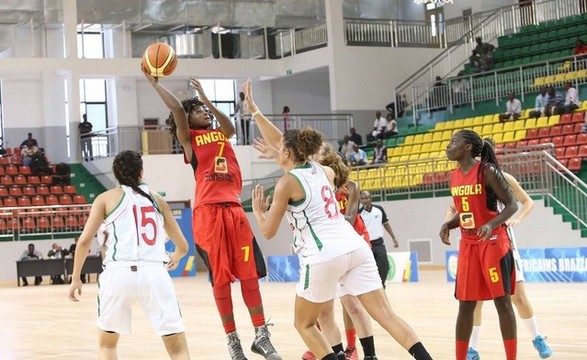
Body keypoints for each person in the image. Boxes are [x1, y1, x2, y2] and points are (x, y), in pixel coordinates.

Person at [244, 80, 433, 360]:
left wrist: (259, 212)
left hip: (322, 254)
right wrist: (256, 113)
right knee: (387, 316)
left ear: (286, 154)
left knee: (304, 324)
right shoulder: (326, 171)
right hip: (355, 247)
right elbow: (284, 144)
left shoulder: (286, 184)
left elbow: (268, 231)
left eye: (281, 149)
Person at [144, 69, 280, 360]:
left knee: (249, 276)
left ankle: (261, 335)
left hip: (233, 209)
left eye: (204, 109)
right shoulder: (189, 140)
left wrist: (205, 96)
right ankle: (233, 342)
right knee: (220, 280)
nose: (203, 112)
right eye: (198, 110)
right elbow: (178, 109)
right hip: (207, 213)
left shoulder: (220, 135)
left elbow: (230, 127)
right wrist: (155, 84)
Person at [253, 138, 377, 360]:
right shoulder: (309, 181)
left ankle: (355, 348)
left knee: (352, 306)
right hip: (329, 250)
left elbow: (347, 219)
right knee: (323, 312)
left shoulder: (341, 184)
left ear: (324, 158)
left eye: (314, 157)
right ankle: (332, 349)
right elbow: (290, 161)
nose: (309, 160)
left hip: (349, 246)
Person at [68, 150, 190, 360]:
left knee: (107, 347)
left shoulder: (105, 199)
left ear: (116, 174)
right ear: (141, 172)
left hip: (118, 274)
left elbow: (84, 241)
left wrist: (75, 278)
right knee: (177, 349)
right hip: (154, 274)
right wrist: (175, 257)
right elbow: (183, 246)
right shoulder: (158, 200)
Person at [444, 137, 552, 360]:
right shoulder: (457, 177)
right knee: (473, 302)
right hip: (471, 240)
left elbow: (524, 202)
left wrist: (517, 219)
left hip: (498, 240)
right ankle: (471, 349)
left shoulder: (498, 175)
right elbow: (457, 207)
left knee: (517, 298)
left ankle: (537, 337)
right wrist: (448, 223)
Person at [439, 129, 518, 360]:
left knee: (502, 303)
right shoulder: (454, 176)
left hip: (493, 243)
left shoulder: (487, 170)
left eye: (454, 142)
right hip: (468, 245)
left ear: (467, 147)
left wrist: (491, 224)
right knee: (465, 305)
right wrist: (448, 225)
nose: (448, 146)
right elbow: (466, 212)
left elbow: (512, 205)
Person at [359, 191, 399, 287]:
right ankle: (371, 287)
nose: (365, 200)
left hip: (379, 243)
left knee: (384, 266)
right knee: (369, 268)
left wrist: (394, 238)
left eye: (367, 198)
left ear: (371, 198)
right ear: (360, 200)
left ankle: (382, 285)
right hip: (366, 244)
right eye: (363, 198)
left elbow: (386, 224)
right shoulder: (359, 213)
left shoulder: (379, 209)